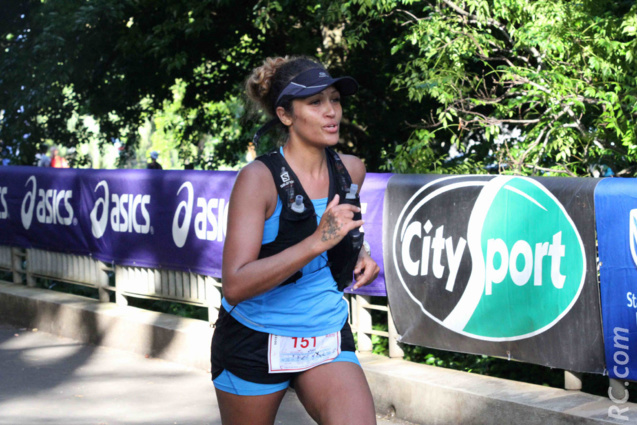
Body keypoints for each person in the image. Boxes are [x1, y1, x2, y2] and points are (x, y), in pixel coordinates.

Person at [210, 56, 380, 425]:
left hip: (324, 332)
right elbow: (235, 284)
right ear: (286, 115)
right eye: (315, 103)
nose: (331, 111)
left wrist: (359, 251)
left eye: (334, 99)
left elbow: (343, 227)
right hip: (256, 337)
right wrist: (317, 241)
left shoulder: (351, 169)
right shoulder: (258, 179)